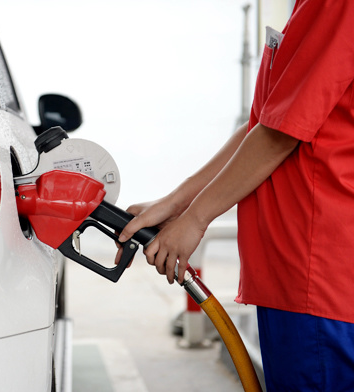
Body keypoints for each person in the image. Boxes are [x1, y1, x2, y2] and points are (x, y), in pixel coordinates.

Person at [117, 1, 354, 390]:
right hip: (308, 278)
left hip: (319, 280)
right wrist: (177, 204)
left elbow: (280, 134)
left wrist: (195, 220)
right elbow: (265, 124)